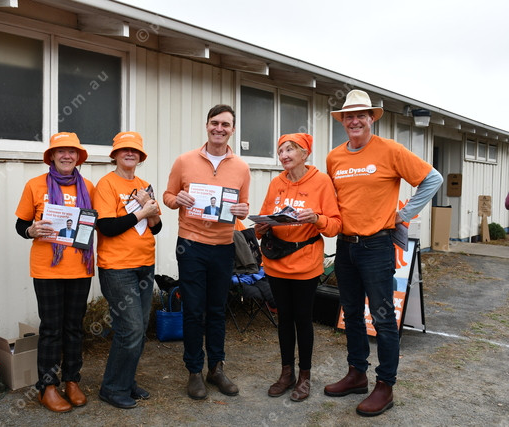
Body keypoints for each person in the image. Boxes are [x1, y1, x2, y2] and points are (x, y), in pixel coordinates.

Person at [325, 90, 443, 416]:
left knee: (382, 317)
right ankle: (356, 374)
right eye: (349, 116)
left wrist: (404, 214)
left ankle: (385, 385)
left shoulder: (390, 150)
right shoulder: (334, 158)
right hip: (345, 246)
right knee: (351, 313)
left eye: (360, 115)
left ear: (371, 118)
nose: (355, 121)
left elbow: (432, 179)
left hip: (377, 246)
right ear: (343, 121)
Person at [163, 104, 251, 400]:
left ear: (232, 130)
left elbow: (244, 205)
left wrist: (242, 210)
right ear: (207, 125)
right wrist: (177, 199)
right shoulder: (184, 161)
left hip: (224, 247)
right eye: (215, 123)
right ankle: (194, 371)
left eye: (225, 124)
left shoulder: (242, 167)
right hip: (191, 245)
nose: (219, 128)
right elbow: (167, 196)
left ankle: (216, 368)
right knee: (193, 310)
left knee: (216, 310)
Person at [254, 133, 341, 402]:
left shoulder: (321, 182)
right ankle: (286, 373)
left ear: (305, 154)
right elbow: (261, 225)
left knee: (303, 319)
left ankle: (304, 376)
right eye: (281, 151)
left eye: (290, 150)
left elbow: (335, 225)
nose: (284, 155)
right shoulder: (276, 183)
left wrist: (316, 218)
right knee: (284, 319)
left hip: (305, 263)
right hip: (276, 263)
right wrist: (261, 227)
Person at [15, 132, 95, 413]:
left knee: (74, 327)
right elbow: (20, 225)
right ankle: (47, 387)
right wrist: (31, 230)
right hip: (46, 269)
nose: (66, 156)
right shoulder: (35, 185)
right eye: (60, 151)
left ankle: (72, 381)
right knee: (51, 329)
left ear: (78, 157)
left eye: (72, 151)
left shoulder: (89, 187)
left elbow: (96, 222)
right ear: (51, 156)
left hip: (80, 269)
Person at [93, 131, 162, 409]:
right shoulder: (106, 184)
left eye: (135, 151)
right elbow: (107, 227)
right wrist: (142, 212)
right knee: (129, 328)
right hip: (118, 267)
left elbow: (156, 227)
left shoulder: (144, 185)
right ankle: (112, 388)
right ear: (116, 155)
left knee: (140, 329)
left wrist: (150, 209)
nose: (130, 154)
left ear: (140, 156)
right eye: (124, 150)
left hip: (145, 264)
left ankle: (125, 381)